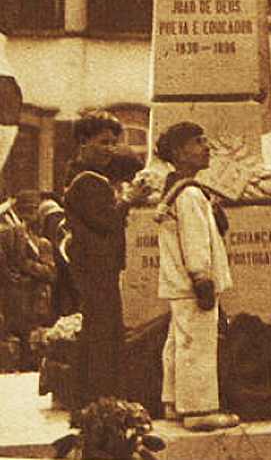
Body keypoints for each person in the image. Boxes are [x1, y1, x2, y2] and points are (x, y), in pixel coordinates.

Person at [154, 121, 238, 431]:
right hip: (192, 284)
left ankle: (174, 403)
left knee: (178, 343)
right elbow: (194, 240)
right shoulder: (188, 194)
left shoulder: (181, 190)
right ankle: (199, 411)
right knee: (198, 345)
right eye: (199, 142)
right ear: (179, 152)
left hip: (179, 284)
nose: (207, 147)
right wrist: (202, 277)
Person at [64, 144, 148, 406]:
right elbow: (107, 222)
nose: (109, 148)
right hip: (97, 269)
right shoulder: (88, 182)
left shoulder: (91, 182)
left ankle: (100, 400)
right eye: (104, 140)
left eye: (114, 141)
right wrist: (128, 200)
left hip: (101, 269)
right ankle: (99, 401)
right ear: (83, 141)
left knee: (104, 334)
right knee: (101, 336)